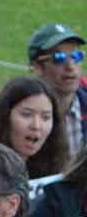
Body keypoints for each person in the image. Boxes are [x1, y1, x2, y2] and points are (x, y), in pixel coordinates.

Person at [0, 76, 67, 179]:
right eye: (26, 114)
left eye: (45, 117)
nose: (36, 126)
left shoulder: (55, 170)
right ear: (5, 116)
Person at [27, 23, 85, 159]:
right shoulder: (22, 116)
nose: (70, 66)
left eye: (76, 56)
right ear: (37, 67)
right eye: (59, 58)